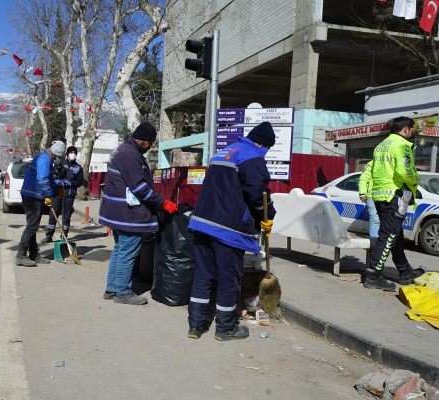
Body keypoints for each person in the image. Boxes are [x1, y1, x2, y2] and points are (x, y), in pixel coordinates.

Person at [186, 122, 276, 341]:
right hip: (228, 229)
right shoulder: (252, 155)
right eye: (267, 149)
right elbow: (257, 194)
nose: (265, 153)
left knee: (204, 275)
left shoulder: (224, 152)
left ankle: (196, 326)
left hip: (202, 223)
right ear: (263, 144)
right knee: (228, 278)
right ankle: (225, 328)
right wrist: (267, 216)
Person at [99, 122, 177, 305]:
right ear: (142, 140)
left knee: (120, 250)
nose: (150, 146)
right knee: (127, 251)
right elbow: (140, 188)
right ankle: (123, 292)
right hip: (128, 214)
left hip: (118, 212)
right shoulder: (130, 154)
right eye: (150, 143)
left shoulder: (124, 150)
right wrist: (163, 202)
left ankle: (112, 289)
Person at [364, 116, 425, 291]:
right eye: (411, 130)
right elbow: (405, 172)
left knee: (395, 234)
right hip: (395, 195)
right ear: (405, 129)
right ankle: (374, 275)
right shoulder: (402, 145)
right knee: (388, 235)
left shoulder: (381, 145)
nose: (411, 133)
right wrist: (416, 179)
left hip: (380, 195)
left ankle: (405, 271)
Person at [16, 140, 66, 267]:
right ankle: (21, 255)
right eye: (60, 157)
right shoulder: (45, 159)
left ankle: (33, 254)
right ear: (56, 154)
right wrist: (49, 194)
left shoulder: (45, 157)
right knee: (32, 226)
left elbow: (49, 178)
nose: (59, 160)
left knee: (32, 225)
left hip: (33, 195)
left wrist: (57, 187)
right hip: (32, 196)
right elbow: (42, 179)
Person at [45, 146, 84, 242]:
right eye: (71, 152)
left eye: (74, 153)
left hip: (69, 194)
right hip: (58, 192)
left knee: (66, 215)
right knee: (54, 213)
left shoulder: (78, 167)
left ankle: (64, 235)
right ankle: (49, 235)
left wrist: (71, 183)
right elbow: (53, 174)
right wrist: (56, 180)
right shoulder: (61, 163)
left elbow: (80, 181)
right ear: (67, 154)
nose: (72, 154)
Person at [358, 161, 380, 244]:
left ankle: (380, 244)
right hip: (372, 196)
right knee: (375, 220)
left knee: (381, 220)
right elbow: (363, 179)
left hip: (386, 196)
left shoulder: (389, 162)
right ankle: (374, 245)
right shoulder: (372, 163)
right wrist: (362, 193)